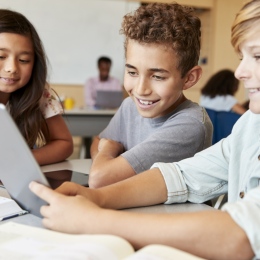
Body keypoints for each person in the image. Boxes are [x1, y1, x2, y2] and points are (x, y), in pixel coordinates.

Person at [30, 1, 260, 259]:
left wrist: (95, 220)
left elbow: (241, 236)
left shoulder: (192, 121)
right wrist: (96, 198)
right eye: (242, 58)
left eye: (258, 56)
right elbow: (180, 176)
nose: (239, 72)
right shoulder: (250, 124)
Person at [89, 3, 212, 188]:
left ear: (189, 78)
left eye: (157, 76)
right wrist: (107, 158)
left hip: (170, 217)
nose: (140, 89)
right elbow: (96, 142)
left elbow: (99, 178)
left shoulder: (191, 124)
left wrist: (107, 152)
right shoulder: (130, 105)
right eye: (132, 72)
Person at [0, 9, 73, 165]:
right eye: (1, 56)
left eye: (24, 60)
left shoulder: (39, 93)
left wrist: (21, 161)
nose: (11, 68)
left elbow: (64, 143)